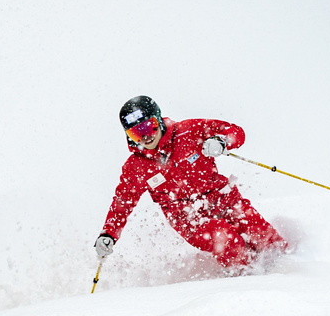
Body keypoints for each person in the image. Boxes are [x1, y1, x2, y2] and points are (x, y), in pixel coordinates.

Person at [95, 95, 286, 272]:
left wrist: (221, 141)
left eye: (149, 127)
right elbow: (122, 202)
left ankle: (290, 273)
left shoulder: (189, 131)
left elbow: (236, 132)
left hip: (224, 200)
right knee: (226, 239)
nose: (146, 137)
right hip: (189, 219)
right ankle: (245, 282)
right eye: (137, 133)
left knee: (261, 234)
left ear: (159, 120)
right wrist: (109, 234)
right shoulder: (136, 166)